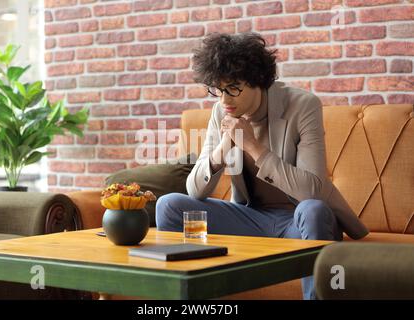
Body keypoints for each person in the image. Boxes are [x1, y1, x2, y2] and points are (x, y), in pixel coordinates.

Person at [155, 32, 368, 300]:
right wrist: (222, 151)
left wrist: (254, 147)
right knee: (169, 205)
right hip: (250, 219)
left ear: (258, 81)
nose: (224, 100)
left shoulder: (302, 106)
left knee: (313, 209)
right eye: (218, 90)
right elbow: (194, 191)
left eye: (233, 88)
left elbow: (313, 190)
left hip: (298, 222)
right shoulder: (221, 112)